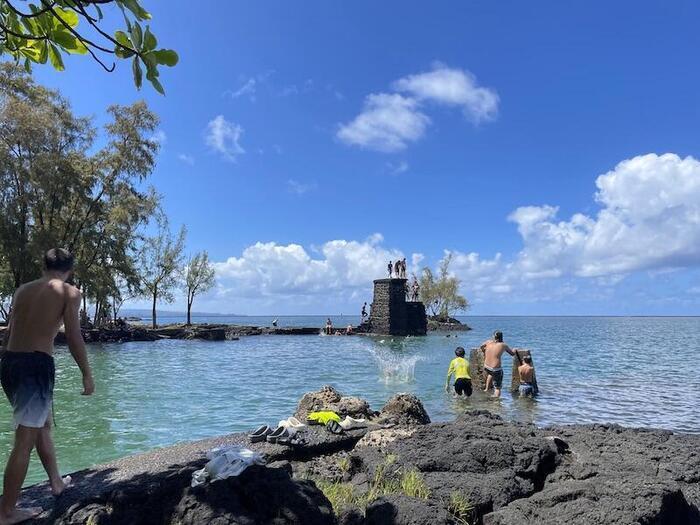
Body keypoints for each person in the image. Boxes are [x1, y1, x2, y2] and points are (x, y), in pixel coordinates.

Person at [0, 248, 95, 524]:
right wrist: (87, 373)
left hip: (9, 362)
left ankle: (56, 482)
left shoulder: (22, 290)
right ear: (71, 269)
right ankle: (5, 512)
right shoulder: (69, 292)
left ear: (44, 266)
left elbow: (11, 329)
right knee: (25, 439)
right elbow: (74, 336)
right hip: (36, 365)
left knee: (42, 425)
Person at [480, 331, 514, 398]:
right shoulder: (503, 345)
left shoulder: (488, 342)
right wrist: (515, 350)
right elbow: (512, 354)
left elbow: (481, 346)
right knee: (498, 387)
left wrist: (484, 351)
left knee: (490, 374)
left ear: (494, 336)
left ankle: (486, 389)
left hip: (486, 366)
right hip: (495, 369)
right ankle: (496, 401)